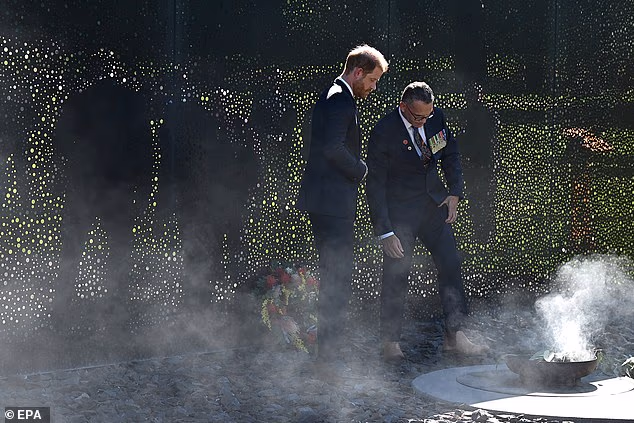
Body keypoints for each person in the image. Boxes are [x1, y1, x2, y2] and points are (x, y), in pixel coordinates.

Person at [366, 81, 488, 361]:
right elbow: (374, 184)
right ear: (403, 108)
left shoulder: (436, 118)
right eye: (418, 117)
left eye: (427, 116)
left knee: (451, 262)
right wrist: (385, 231)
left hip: (433, 206)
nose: (423, 122)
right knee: (397, 273)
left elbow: (450, 153)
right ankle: (390, 342)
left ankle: (455, 335)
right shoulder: (384, 131)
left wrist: (455, 191)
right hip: (400, 214)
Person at [297, 44, 388, 373]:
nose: (374, 88)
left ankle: (329, 355)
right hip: (331, 203)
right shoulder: (340, 98)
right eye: (374, 80)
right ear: (358, 72)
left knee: (336, 276)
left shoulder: (334, 93)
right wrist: (361, 170)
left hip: (326, 201)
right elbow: (332, 149)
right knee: (338, 279)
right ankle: (329, 360)